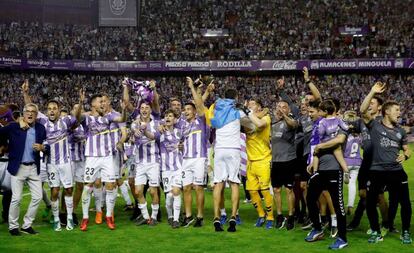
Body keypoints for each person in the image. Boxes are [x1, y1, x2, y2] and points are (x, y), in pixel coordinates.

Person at [361, 86, 412, 244]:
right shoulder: (375, 125)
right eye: (396, 110)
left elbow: (407, 150)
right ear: (387, 111)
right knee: (370, 203)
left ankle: (405, 232)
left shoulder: (401, 132)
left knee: (405, 203)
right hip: (377, 171)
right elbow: (363, 111)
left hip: (396, 171)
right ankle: (376, 231)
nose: (399, 112)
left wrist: (406, 155)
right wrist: (372, 92)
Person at [79, 93, 127, 231]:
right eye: (100, 102)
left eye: (104, 102)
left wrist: (123, 110)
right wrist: (81, 103)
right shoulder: (87, 118)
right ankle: (85, 217)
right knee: (88, 186)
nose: (103, 104)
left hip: (107, 157)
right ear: (93, 104)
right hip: (92, 157)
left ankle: (108, 216)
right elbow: (76, 117)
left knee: (111, 185)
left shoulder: (109, 116)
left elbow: (122, 118)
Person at [305, 100, 348, 250]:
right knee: (310, 198)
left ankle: (342, 238)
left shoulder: (340, 124)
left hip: (335, 169)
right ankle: (317, 229)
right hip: (321, 170)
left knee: (338, 205)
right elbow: (317, 150)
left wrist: (321, 146)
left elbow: (339, 140)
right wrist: (314, 165)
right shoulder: (321, 126)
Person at [0, 103, 47, 236]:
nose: (30, 114)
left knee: (38, 197)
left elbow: (47, 144)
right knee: (16, 198)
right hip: (18, 167)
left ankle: (27, 225)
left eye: (33, 112)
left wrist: (43, 148)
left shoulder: (41, 128)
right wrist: (3, 146)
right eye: (27, 111)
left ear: (36, 115)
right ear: (23, 114)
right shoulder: (14, 127)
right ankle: (13, 227)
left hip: (33, 167)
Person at [209, 86, 248, 232]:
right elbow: (250, 121)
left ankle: (217, 217)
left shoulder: (217, 110)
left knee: (218, 183)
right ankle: (233, 216)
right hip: (233, 150)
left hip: (219, 149)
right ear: (235, 97)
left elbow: (210, 120)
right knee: (234, 183)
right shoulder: (238, 111)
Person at [142, 109, 184, 229]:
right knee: (169, 195)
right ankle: (170, 216)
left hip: (177, 167)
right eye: (166, 116)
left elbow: (185, 143)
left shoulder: (179, 132)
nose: (168, 117)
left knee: (176, 191)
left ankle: (175, 220)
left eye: (170, 116)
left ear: (174, 119)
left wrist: (182, 146)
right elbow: (150, 136)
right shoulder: (160, 133)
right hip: (165, 169)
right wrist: (144, 130)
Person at [180, 77, 209, 228]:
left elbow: (199, 103)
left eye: (189, 109)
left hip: (199, 158)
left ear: (195, 111)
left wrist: (193, 88)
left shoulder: (201, 121)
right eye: (185, 110)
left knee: (198, 187)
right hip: (186, 159)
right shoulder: (183, 124)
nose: (186, 112)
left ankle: (200, 216)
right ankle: (188, 216)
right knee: (186, 187)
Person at [245, 99, 274, 229]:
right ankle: (261, 215)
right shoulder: (246, 119)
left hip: (263, 159)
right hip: (250, 160)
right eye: (248, 104)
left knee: (265, 190)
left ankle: (270, 217)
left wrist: (251, 113)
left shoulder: (266, 117)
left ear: (259, 107)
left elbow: (260, 124)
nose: (249, 106)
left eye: (252, 104)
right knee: (251, 190)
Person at [271, 100, 298, 230]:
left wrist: (285, 115)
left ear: (288, 110)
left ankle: (291, 216)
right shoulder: (273, 122)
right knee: (276, 189)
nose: (281, 109)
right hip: (275, 161)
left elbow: (293, 124)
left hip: (288, 160)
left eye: (284, 107)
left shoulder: (291, 120)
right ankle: (280, 215)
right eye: (279, 107)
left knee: (289, 189)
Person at [342, 111, 362, 215]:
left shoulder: (344, 134)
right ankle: (350, 206)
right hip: (357, 162)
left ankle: (339, 206)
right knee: (352, 184)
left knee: (339, 186)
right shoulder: (358, 135)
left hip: (345, 162)